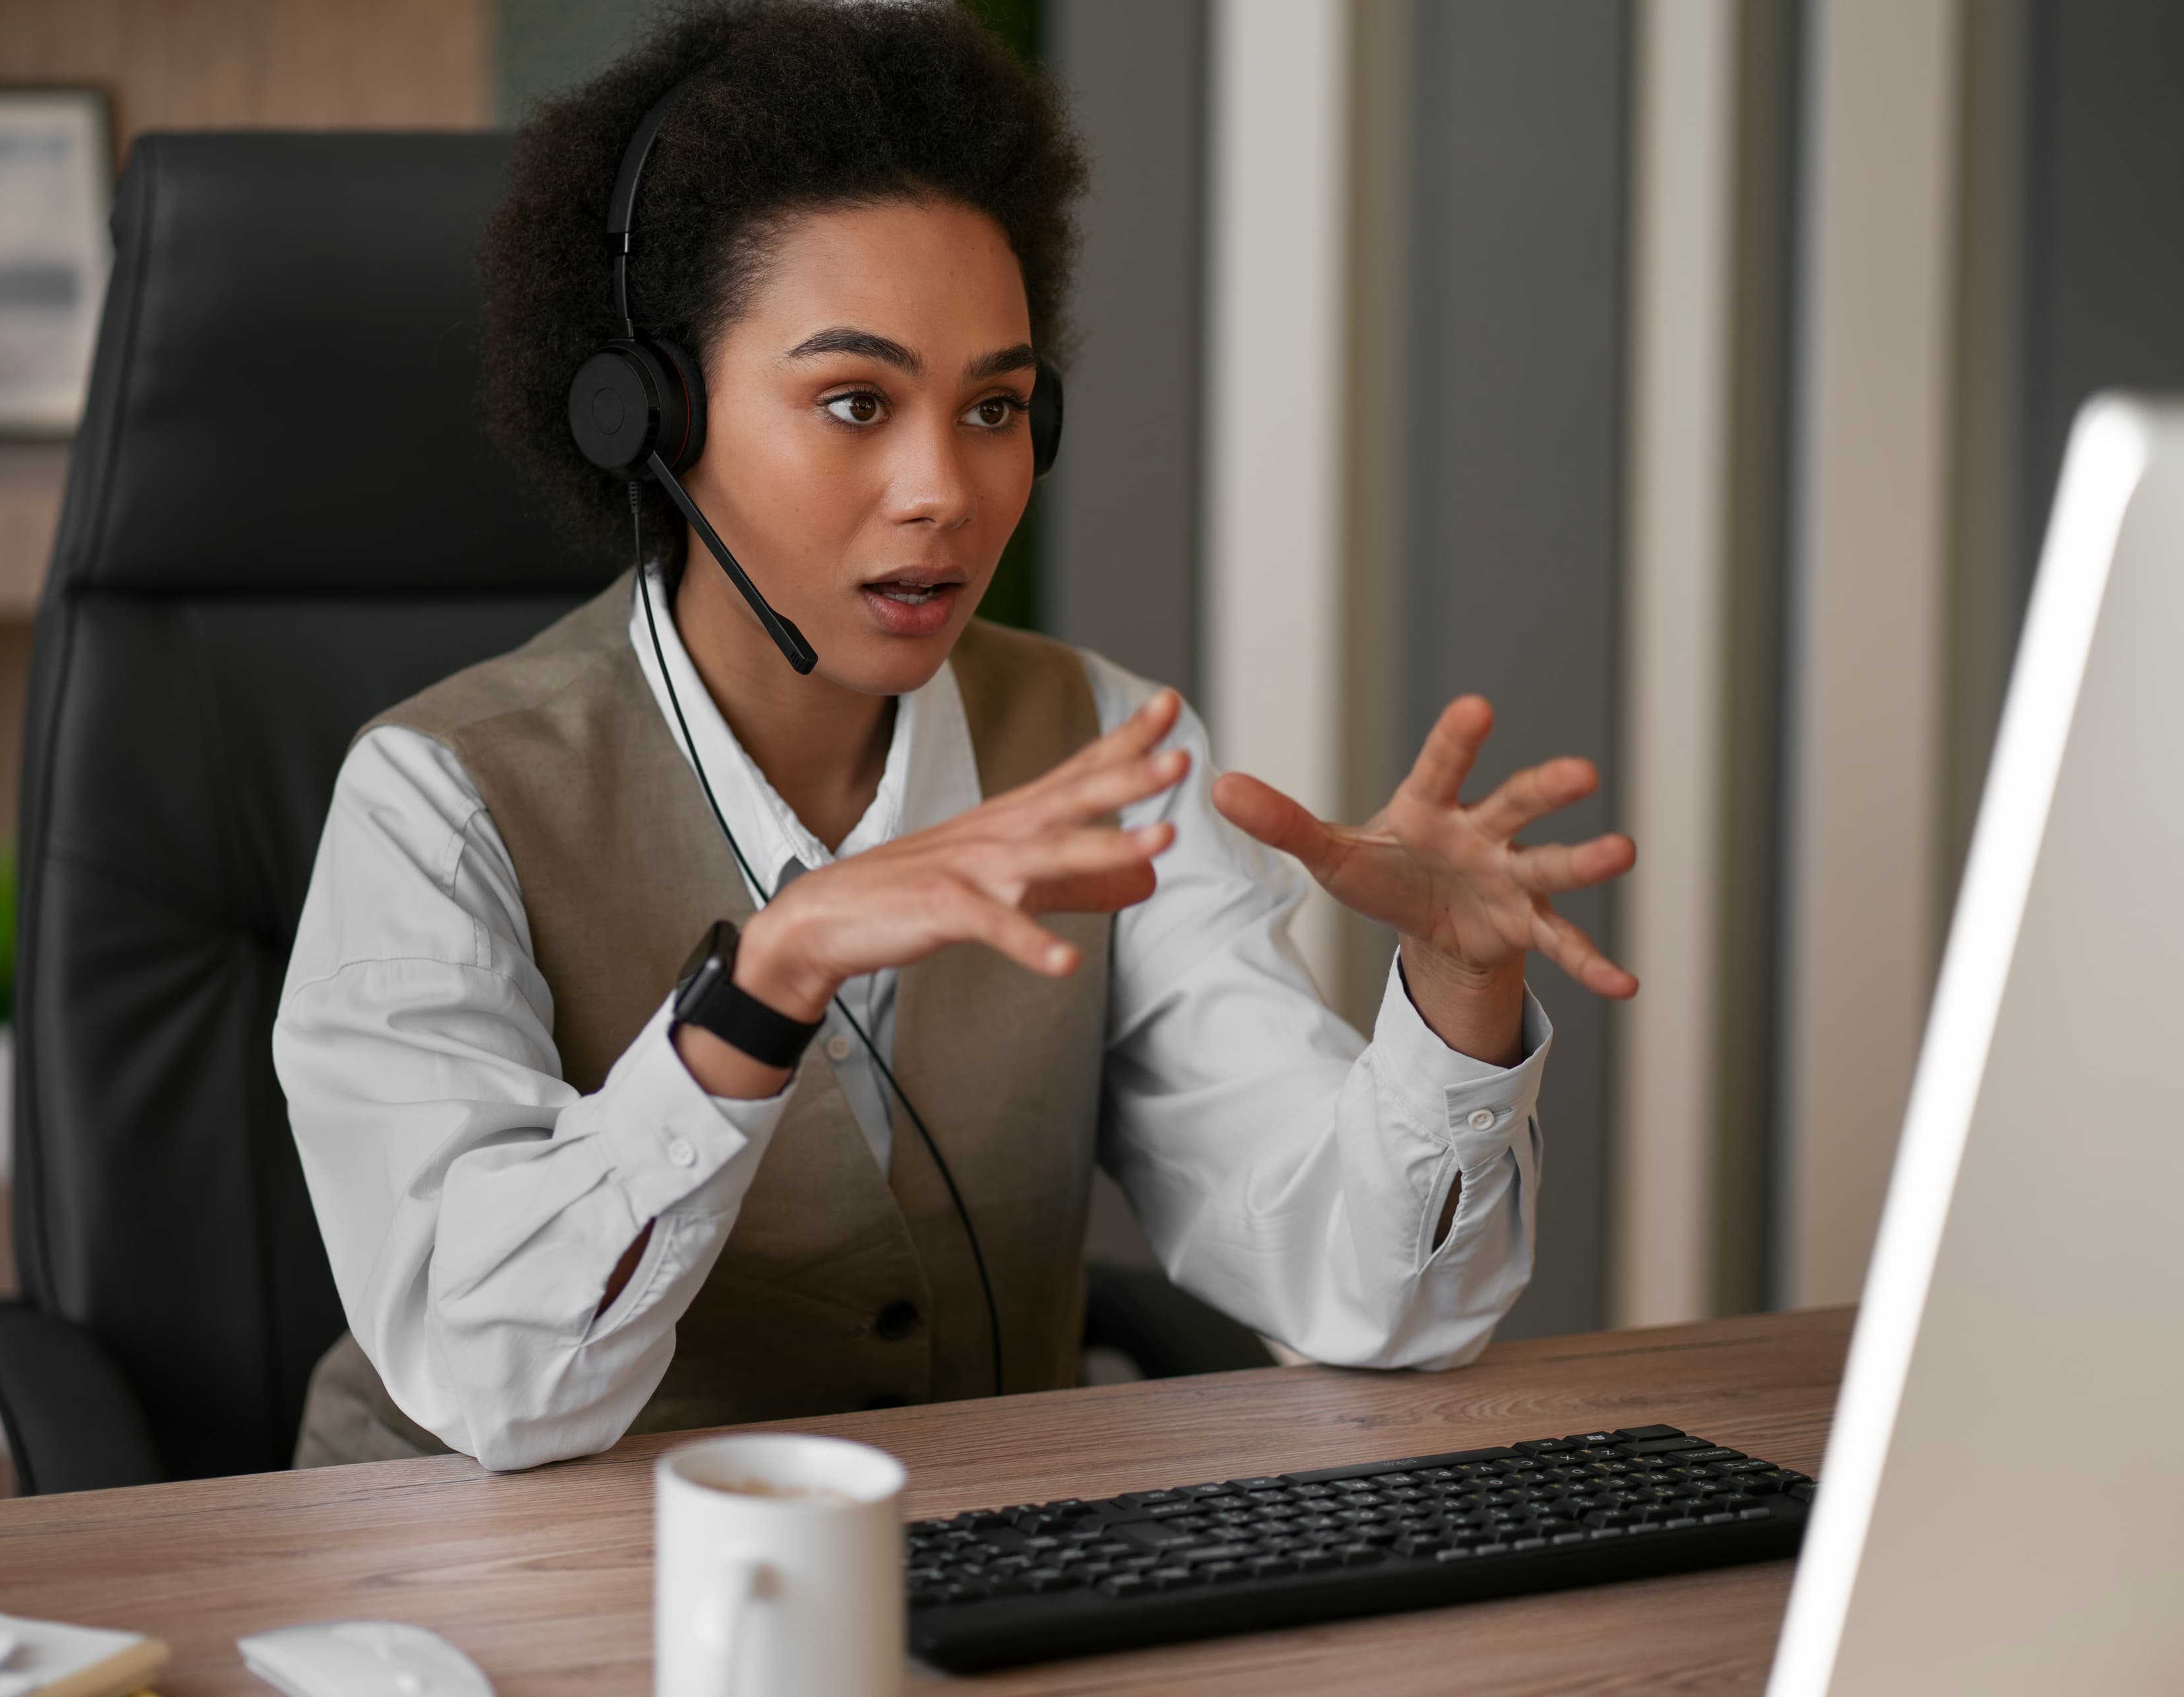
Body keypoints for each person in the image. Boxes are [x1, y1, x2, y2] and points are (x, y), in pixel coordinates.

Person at [273, 0, 1637, 1472]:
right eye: (854, 401)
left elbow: (1377, 1299)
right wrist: (757, 993)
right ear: (652, 419)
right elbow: (492, 1384)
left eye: (994, 406)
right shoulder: (437, 797)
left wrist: (1451, 996)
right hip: (506, 1597)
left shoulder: (1098, 743)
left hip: (974, 1573)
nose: (944, 488)